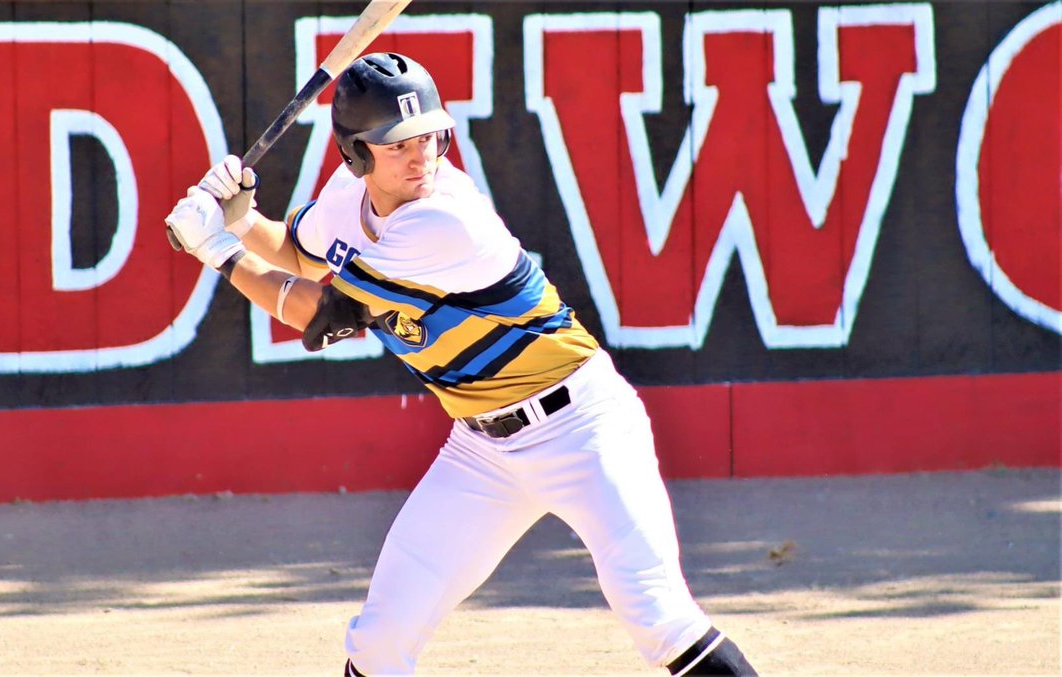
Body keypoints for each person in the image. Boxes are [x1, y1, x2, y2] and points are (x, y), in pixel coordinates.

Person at [164, 52, 756, 676]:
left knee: (656, 615)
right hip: (480, 450)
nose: (422, 156)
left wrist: (218, 249)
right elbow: (301, 252)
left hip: (582, 428)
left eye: (431, 136)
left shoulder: (445, 219)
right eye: (398, 145)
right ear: (357, 155)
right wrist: (242, 218)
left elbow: (317, 312)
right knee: (382, 640)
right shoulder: (347, 198)